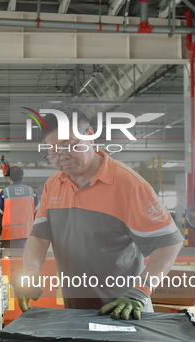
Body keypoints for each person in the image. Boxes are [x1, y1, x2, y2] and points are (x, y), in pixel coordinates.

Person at [14, 106, 184, 320]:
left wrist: (140, 292)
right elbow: (39, 236)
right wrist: (30, 270)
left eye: (68, 146)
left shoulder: (128, 185)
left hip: (124, 311)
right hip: (76, 312)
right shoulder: (53, 184)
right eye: (53, 151)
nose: (62, 156)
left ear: (90, 136)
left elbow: (169, 243)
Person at [0, 166, 39, 250]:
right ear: (22, 177)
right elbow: (39, 215)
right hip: (28, 236)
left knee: (9, 262)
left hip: (9, 236)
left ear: (9, 178)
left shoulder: (4, 193)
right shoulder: (31, 192)